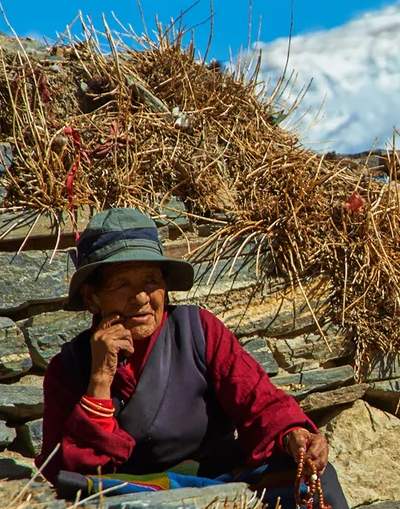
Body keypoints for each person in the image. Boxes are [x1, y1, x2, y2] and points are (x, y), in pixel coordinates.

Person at [35, 207, 349, 509]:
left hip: (218, 479)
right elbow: (67, 474)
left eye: (152, 281)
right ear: (92, 298)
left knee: (314, 480)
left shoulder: (197, 330)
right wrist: (100, 379)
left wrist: (295, 434)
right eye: (123, 284)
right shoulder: (69, 369)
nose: (143, 297)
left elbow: (261, 403)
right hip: (131, 494)